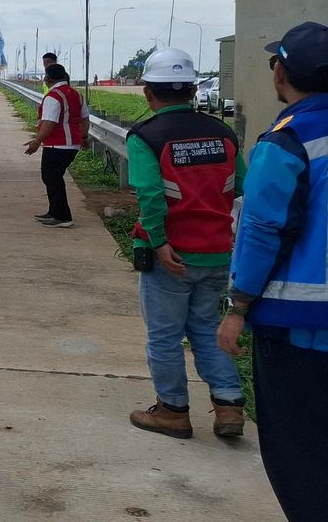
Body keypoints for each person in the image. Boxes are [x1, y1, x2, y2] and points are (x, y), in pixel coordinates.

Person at [217, 21, 328, 521]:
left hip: (302, 328)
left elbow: (263, 228)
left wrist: (237, 306)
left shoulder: (288, 140)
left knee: (302, 456)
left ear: (281, 71)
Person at [121, 48, 246, 440]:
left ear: (147, 94)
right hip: (216, 251)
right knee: (208, 327)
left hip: (171, 255)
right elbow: (240, 185)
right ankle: (228, 406)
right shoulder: (223, 133)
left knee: (164, 335)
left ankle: (173, 411)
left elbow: (151, 196)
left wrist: (158, 242)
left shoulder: (147, 136)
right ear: (193, 89)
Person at [23, 63, 88, 228]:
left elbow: (49, 122)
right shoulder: (76, 94)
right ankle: (54, 211)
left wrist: (37, 141)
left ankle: (62, 215)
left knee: (51, 177)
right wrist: (84, 136)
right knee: (52, 177)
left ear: (48, 78)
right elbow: (85, 118)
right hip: (72, 143)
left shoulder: (54, 96)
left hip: (57, 144)